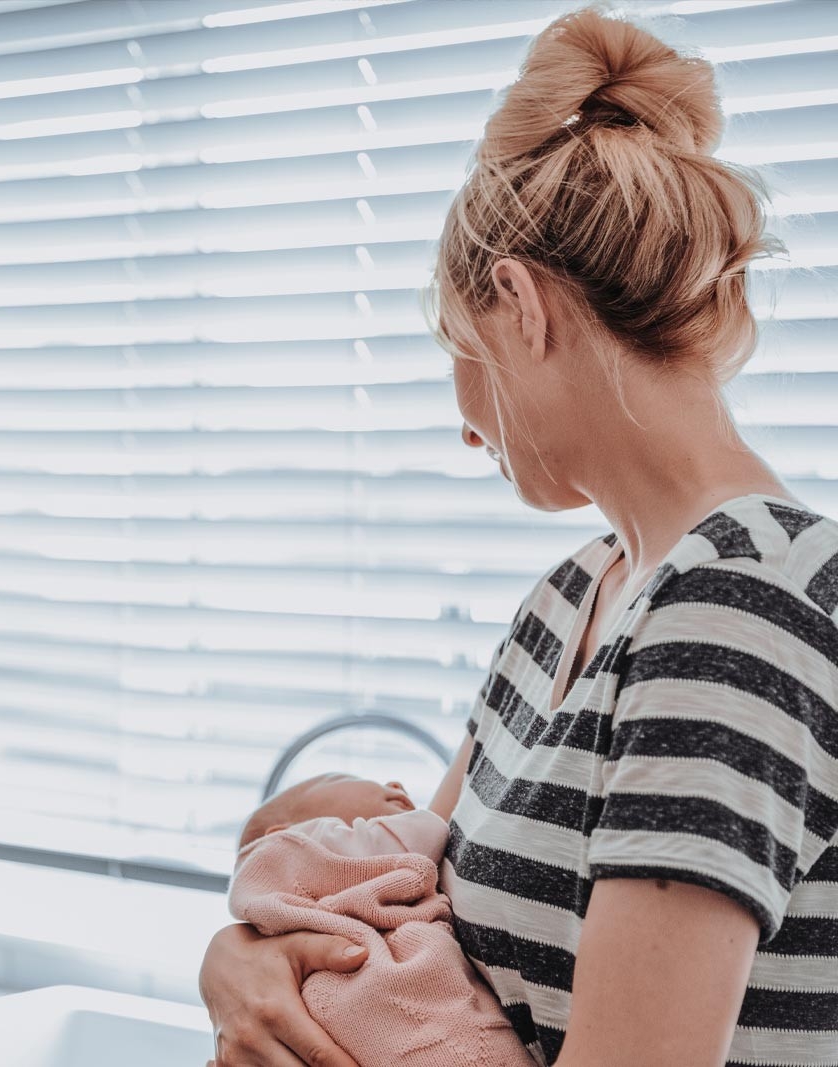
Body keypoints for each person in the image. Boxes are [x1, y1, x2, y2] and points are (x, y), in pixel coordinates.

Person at [199, 9, 838, 1066]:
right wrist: (237, 958)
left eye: (457, 348)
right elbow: (403, 894)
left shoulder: (740, 611)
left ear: (518, 305)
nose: (465, 426)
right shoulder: (569, 597)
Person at [229, 774, 533, 1067]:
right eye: (342, 778)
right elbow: (426, 830)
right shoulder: (290, 849)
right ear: (283, 832)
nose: (394, 783)